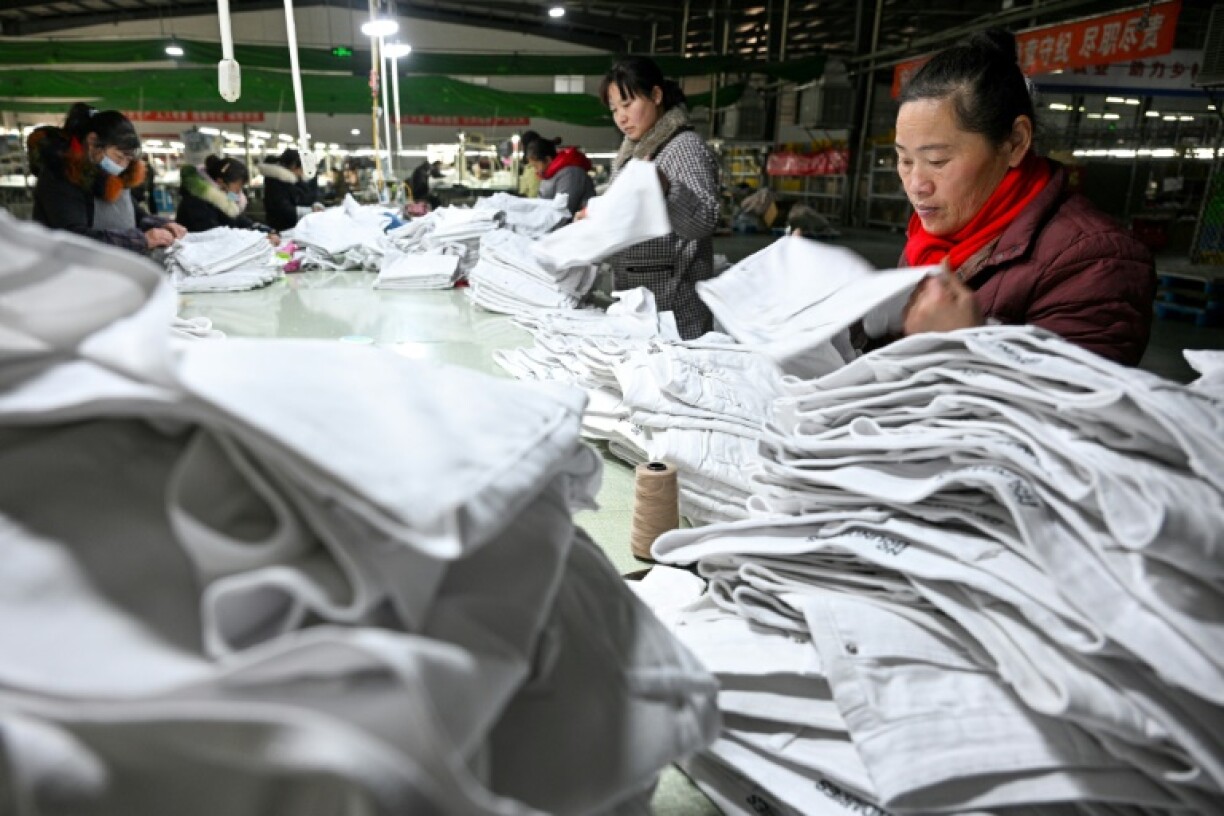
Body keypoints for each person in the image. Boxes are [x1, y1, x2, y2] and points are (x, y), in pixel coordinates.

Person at [894, 29, 1154, 366]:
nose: (916, 185)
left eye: (937, 161)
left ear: (1015, 142)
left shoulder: (1095, 260)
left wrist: (965, 344)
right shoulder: (929, 240)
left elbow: (1073, 394)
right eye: (905, 160)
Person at [599, 56, 721, 340]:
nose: (621, 117)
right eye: (614, 109)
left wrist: (667, 188)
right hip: (642, 303)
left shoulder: (683, 148)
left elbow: (703, 221)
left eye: (628, 104)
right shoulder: (634, 153)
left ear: (656, 96)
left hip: (675, 311)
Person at [28, 103, 186, 254]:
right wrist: (140, 240)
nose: (122, 166)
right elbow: (74, 239)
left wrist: (163, 225)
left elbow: (135, 215)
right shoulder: (60, 177)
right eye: (119, 157)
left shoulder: (111, 177)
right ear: (92, 142)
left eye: (128, 160)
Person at [176, 155, 277, 242]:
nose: (239, 193)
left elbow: (239, 221)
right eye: (238, 188)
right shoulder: (196, 202)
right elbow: (214, 235)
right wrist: (256, 238)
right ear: (221, 182)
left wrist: (265, 231)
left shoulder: (224, 198)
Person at [525, 137, 596, 215]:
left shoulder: (570, 173)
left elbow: (564, 210)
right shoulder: (547, 175)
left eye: (536, 166)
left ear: (548, 159)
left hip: (576, 222)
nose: (536, 170)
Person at [258, 148, 321, 232]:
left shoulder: (296, 180)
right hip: (283, 229)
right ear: (293, 166)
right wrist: (310, 211)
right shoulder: (275, 182)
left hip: (298, 228)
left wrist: (315, 204)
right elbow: (282, 209)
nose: (303, 172)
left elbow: (309, 196)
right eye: (303, 168)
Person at [517, 130, 543, 198]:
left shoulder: (534, 168)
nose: (521, 148)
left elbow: (533, 195)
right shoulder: (529, 166)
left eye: (522, 145)